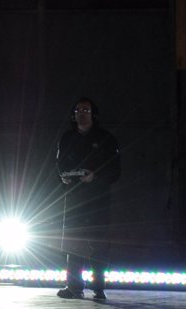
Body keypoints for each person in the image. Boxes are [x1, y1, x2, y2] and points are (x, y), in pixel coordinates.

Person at [55, 97, 121, 300]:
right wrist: (63, 177)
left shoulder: (105, 138)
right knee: (74, 244)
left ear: (93, 114)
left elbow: (115, 170)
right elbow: (59, 164)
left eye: (86, 110)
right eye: (78, 110)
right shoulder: (67, 138)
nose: (81, 113)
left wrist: (95, 177)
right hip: (74, 198)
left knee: (98, 244)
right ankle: (74, 286)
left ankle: (99, 287)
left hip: (97, 199)